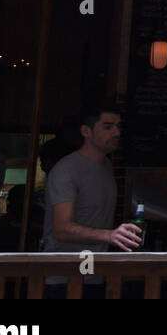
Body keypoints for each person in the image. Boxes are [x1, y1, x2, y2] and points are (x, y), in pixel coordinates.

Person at [43, 104, 141, 254]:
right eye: (108, 127)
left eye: (118, 127)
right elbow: (61, 229)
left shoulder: (107, 166)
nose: (117, 133)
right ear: (86, 131)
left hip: (94, 267)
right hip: (64, 269)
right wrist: (109, 235)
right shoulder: (66, 170)